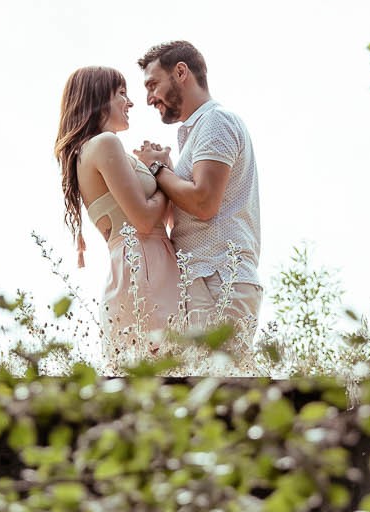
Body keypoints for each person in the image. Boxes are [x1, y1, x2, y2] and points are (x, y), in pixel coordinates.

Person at [133, 40, 262, 357]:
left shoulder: (217, 122)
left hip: (218, 280)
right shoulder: (197, 132)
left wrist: (157, 169)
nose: (149, 98)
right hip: (204, 280)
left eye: (153, 85)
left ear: (181, 72)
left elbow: (203, 203)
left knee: (218, 381)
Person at [54, 65, 181, 363]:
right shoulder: (104, 143)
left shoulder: (90, 151)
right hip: (145, 264)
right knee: (168, 366)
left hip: (143, 263)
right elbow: (145, 220)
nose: (130, 102)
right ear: (98, 98)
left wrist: (161, 167)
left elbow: (167, 219)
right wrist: (159, 170)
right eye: (122, 93)